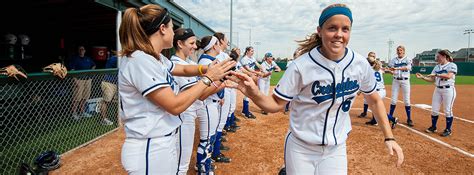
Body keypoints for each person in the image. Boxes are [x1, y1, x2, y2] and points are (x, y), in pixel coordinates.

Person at [227, 4, 403, 174]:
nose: (339, 34)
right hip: (301, 147)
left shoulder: (359, 64)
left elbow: (374, 100)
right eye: (332, 28)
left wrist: (389, 137)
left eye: (345, 29)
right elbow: (275, 104)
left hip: (336, 149)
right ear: (320, 31)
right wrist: (254, 93)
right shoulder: (301, 65)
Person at [118, 5, 235, 175]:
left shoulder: (157, 58)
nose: (174, 32)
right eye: (173, 27)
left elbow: (184, 69)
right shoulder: (140, 60)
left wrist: (206, 68)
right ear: (162, 29)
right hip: (149, 147)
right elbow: (174, 105)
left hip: (161, 142)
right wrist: (209, 77)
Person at [170, 28, 221, 174]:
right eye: (191, 43)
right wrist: (219, 79)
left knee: (182, 161)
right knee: (181, 163)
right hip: (183, 115)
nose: (195, 46)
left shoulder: (188, 62)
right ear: (180, 43)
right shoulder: (176, 62)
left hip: (190, 114)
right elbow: (201, 94)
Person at [196, 35, 231, 173]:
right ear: (213, 46)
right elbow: (205, 88)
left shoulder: (208, 59)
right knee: (207, 139)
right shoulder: (206, 60)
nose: (220, 45)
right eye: (217, 43)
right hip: (207, 103)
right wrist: (223, 84)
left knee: (209, 137)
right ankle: (203, 168)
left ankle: (203, 164)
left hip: (212, 101)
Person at [415, 49, 457, 137]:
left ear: (444, 56)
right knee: (434, 109)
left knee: (447, 110)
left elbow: (449, 76)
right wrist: (422, 77)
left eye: (438, 57)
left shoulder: (452, 65)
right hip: (437, 89)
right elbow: (432, 79)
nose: (437, 58)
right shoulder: (437, 67)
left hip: (448, 90)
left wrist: (436, 75)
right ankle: (433, 127)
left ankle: (448, 129)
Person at [212, 32, 232, 163]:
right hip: (215, 93)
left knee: (220, 121)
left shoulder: (222, 55)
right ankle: (215, 152)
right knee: (217, 123)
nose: (227, 43)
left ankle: (217, 148)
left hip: (222, 90)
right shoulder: (217, 57)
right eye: (225, 40)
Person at [363, 55, 399, 128]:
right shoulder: (379, 68)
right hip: (382, 90)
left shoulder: (369, 70)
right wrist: (390, 71)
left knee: (377, 108)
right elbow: (386, 71)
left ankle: (392, 119)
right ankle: (374, 120)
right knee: (374, 107)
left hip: (377, 92)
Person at [387, 45, 414, 127]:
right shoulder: (393, 60)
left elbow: (408, 67)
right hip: (395, 80)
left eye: (401, 50)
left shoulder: (408, 59)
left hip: (405, 81)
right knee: (393, 100)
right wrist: (390, 71)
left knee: (406, 101)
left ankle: (409, 119)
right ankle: (390, 117)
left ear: (404, 51)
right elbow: (390, 69)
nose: (399, 51)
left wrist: (397, 69)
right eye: (398, 50)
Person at [69, 45, 96, 120]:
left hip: (87, 80)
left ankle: (82, 112)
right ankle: (74, 113)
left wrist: (91, 71)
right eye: (80, 49)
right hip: (79, 80)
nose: (81, 50)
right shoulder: (75, 59)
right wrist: (75, 80)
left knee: (85, 97)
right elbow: (72, 70)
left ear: (85, 51)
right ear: (78, 51)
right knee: (77, 98)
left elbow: (94, 65)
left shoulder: (88, 59)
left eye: (83, 49)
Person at [240, 46, 263, 119]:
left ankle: (245, 110)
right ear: (247, 51)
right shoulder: (244, 59)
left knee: (248, 93)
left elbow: (257, 64)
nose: (253, 52)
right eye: (251, 51)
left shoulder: (252, 58)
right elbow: (248, 69)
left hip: (251, 76)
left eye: (253, 51)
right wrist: (257, 72)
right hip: (246, 76)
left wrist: (261, 68)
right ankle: (246, 112)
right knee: (248, 93)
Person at [99, 53, 117, 126]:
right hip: (108, 82)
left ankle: (117, 119)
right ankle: (103, 119)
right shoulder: (114, 58)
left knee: (117, 102)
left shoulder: (121, 58)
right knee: (106, 101)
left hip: (116, 83)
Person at [358, 51, 376, 118]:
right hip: (368, 84)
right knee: (366, 99)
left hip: (375, 86)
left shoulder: (376, 65)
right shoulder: (365, 64)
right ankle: (365, 112)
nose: (372, 57)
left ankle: (375, 118)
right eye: (371, 56)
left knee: (374, 103)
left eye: (373, 56)